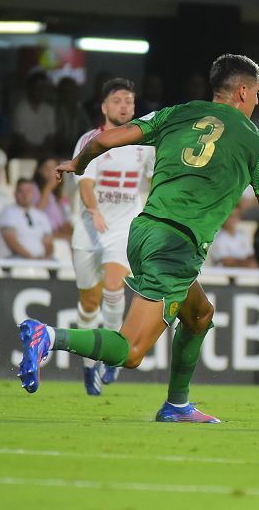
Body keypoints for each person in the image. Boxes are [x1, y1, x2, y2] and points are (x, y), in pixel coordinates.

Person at [18, 54, 259, 424]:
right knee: (132, 351)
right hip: (178, 244)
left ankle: (177, 405)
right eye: (256, 93)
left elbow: (108, 139)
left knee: (200, 315)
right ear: (242, 91)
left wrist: (79, 164)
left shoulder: (179, 112)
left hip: (143, 231)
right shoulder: (252, 139)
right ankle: (46, 336)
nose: (257, 100)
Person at [68, 78, 156, 395]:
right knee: (89, 304)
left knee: (114, 286)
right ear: (105, 107)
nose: (124, 106)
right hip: (89, 229)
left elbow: (153, 179)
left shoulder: (144, 144)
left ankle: (113, 357)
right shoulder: (90, 140)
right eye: (118, 100)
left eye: (129, 101)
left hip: (123, 228)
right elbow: (85, 181)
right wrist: (93, 210)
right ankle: (89, 364)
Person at [0, 179, 54, 260]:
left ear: (33, 194)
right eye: (21, 191)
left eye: (28, 191)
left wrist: (46, 259)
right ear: (15, 194)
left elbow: (48, 243)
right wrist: (31, 258)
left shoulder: (41, 215)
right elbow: (11, 242)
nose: (25, 195)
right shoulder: (8, 212)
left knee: (57, 263)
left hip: (39, 260)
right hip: (14, 259)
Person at [33, 158, 73, 240]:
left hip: (59, 235)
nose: (51, 172)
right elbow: (36, 213)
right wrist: (48, 188)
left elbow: (65, 219)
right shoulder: (33, 188)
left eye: (54, 168)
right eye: (47, 168)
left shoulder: (59, 194)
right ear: (39, 171)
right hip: (42, 236)